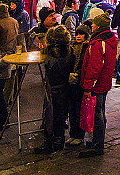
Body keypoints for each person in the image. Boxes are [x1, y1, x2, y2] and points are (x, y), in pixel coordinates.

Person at [78, 12, 119, 158]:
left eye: (94, 23)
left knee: (97, 114)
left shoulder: (98, 42)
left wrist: (88, 86)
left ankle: (97, 146)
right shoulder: (111, 39)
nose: (92, 25)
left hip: (97, 84)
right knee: (100, 112)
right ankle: (96, 141)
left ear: (99, 26)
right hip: (104, 82)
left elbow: (94, 66)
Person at [36, 25, 76, 154]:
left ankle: (52, 143)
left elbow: (51, 67)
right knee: (60, 116)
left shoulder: (54, 55)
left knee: (53, 117)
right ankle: (57, 142)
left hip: (55, 89)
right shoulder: (70, 52)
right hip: (65, 87)